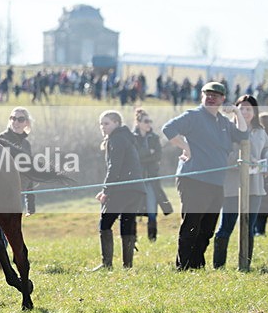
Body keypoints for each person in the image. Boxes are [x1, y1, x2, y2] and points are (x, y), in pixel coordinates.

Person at [162, 81, 248, 270]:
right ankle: (183, 267)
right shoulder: (193, 116)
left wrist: (237, 112)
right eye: (207, 94)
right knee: (192, 225)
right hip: (193, 179)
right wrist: (186, 147)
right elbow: (168, 129)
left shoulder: (224, 122)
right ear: (202, 96)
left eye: (215, 96)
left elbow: (243, 136)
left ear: (222, 99)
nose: (210, 98)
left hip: (216, 182)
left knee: (207, 228)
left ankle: (197, 265)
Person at [213, 95, 268, 268]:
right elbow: (223, 155)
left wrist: (266, 168)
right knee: (226, 226)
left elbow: (266, 151)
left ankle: (245, 264)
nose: (245, 112)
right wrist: (244, 160)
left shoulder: (261, 132)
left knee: (249, 227)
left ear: (254, 112)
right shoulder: (228, 130)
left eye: (249, 109)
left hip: (254, 186)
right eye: (242, 108)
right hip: (232, 186)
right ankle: (219, 265)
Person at [94, 110, 146, 269]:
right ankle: (127, 266)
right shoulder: (127, 137)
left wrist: (106, 191)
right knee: (127, 225)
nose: (103, 127)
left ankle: (107, 264)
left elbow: (114, 168)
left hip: (122, 189)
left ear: (116, 123)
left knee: (105, 224)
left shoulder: (116, 139)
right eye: (101, 124)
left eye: (106, 123)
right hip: (136, 189)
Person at [0, 107, 36, 269]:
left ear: (26, 123)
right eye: (13, 118)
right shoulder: (0, 139)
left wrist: (30, 202)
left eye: (20, 119)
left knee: (12, 229)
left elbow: (29, 173)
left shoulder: (26, 144)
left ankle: (7, 262)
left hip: (17, 194)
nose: (16, 122)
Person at [132, 108, 171, 241]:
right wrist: (149, 152)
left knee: (152, 209)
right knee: (133, 210)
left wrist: (146, 155)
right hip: (136, 179)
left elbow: (158, 156)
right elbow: (134, 157)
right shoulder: (132, 138)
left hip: (151, 179)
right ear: (138, 122)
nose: (149, 124)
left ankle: (152, 238)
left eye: (150, 121)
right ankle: (133, 238)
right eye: (146, 121)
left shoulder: (155, 138)